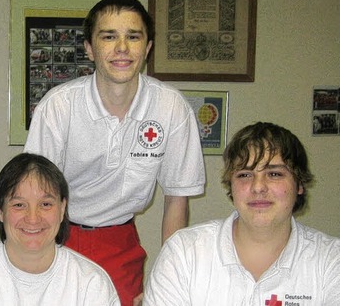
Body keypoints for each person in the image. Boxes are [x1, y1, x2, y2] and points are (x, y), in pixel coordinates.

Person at [23, 0, 205, 305]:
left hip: (120, 242)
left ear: (147, 47)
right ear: (89, 48)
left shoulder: (171, 107)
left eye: (133, 37)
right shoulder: (58, 106)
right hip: (57, 236)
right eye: (109, 36)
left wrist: (168, 281)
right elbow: (34, 196)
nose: (122, 48)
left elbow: (177, 200)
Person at [143, 122, 340, 305]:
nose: (258, 187)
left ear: (299, 184)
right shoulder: (183, 254)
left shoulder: (331, 261)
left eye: (274, 174)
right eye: (245, 175)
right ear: (231, 184)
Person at [0, 153, 120, 305]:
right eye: (19, 205)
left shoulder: (91, 283)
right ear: (0, 210)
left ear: (62, 209)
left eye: (45, 204)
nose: (33, 218)